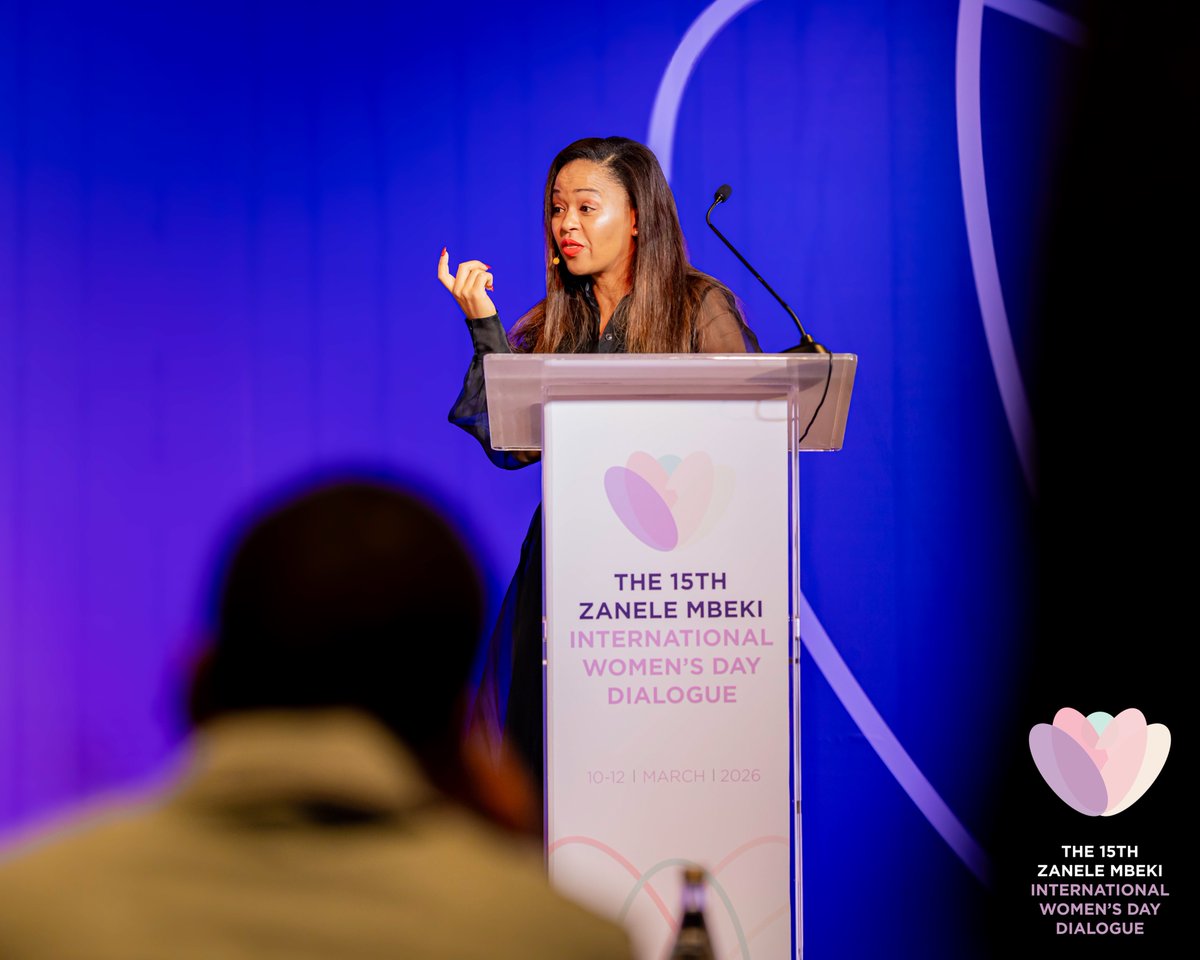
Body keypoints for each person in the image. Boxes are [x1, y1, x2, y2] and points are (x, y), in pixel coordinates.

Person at [0, 476, 633, 960]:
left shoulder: (25, 913)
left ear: (197, 687)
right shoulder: (565, 941)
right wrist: (510, 871)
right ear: (460, 726)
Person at [438, 136, 760, 791]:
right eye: (558, 209)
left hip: (671, 588)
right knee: (549, 763)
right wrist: (484, 326)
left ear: (638, 216)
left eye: (587, 207)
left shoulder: (699, 306)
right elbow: (511, 444)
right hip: (567, 572)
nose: (566, 226)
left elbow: (745, 433)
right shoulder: (559, 321)